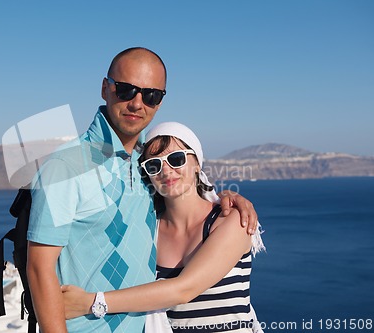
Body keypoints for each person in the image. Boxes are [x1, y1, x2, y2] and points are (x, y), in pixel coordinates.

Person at [26, 47, 259, 333]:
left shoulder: (142, 164)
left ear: (160, 101)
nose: (137, 103)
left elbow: (185, 191)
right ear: (105, 88)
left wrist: (229, 199)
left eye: (150, 95)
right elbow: (39, 268)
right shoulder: (67, 165)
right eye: (125, 90)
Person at [61, 122, 265, 332]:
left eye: (176, 159)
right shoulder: (149, 229)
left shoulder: (231, 220)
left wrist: (92, 303)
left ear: (197, 164)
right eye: (153, 165)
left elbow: (184, 290)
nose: (166, 171)